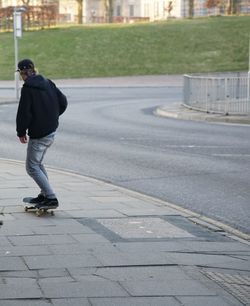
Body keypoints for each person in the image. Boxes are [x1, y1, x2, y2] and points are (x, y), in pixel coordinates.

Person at [16, 59, 68, 208]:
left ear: (23, 73)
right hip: (51, 130)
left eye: (20, 73)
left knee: (31, 167)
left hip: (39, 134)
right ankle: (44, 194)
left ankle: (51, 198)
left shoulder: (28, 88)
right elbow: (63, 102)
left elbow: (24, 113)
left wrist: (21, 132)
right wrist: (52, 117)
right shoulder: (47, 82)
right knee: (37, 164)